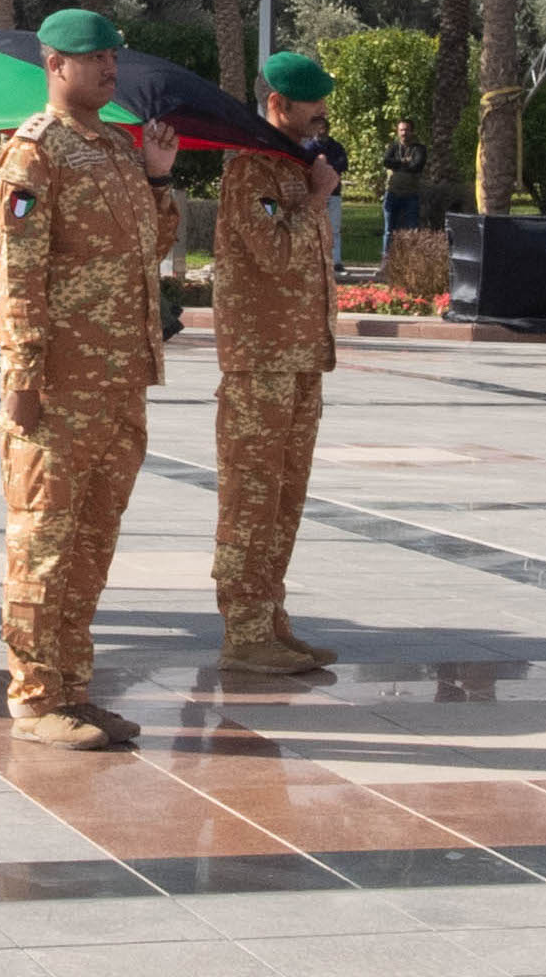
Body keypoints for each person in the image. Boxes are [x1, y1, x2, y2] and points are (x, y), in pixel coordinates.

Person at [0, 9, 180, 750]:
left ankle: (73, 687)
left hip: (119, 380)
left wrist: (158, 178)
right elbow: (20, 272)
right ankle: (34, 696)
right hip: (60, 386)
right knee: (43, 542)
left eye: (112, 58)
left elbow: (148, 248)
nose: (108, 69)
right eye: (94, 58)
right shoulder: (34, 153)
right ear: (54, 65)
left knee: (92, 545)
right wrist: (23, 374)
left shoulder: (115, 149)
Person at [210, 51, 349, 673]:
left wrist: (311, 190)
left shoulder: (297, 168)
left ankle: (270, 621)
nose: (322, 113)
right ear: (277, 104)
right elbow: (274, 255)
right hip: (259, 362)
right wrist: (316, 199)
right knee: (252, 497)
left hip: (300, 359)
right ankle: (242, 632)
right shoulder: (251, 172)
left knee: (286, 498)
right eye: (312, 103)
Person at [379, 119, 427, 235]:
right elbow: (386, 162)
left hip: (411, 194)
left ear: (412, 131)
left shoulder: (419, 149)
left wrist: (396, 165)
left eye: (406, 130)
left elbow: (417, 165)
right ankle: (388, 248)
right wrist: (404, 161)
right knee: (389, 231)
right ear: (397, 131)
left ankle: (409, 248)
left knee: (412, 230)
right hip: (392, 193)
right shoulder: (393, 147)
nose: (404, 133)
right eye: (401, 130)